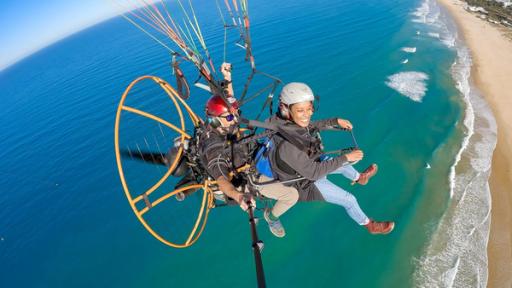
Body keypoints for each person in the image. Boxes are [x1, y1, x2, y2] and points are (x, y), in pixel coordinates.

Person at [264, 82, 394, 234]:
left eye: (309, 108)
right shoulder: (286, 145)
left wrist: (335, 121)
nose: (307, 114)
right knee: (349, 199)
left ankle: (360, 178)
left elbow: (309, 126)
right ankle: (369, 225)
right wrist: (346, 157)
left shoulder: (284, 121)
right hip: (304, 183)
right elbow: (314, 173)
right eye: (301, 110)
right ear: (286, 110)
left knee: (341, 164)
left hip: (308, 163)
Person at [198, 63, 299, 237]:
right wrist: (237, 196)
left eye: (236, 113)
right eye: (230, 117)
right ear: (215, 121)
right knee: (292, 196)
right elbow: (221, 179)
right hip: (249, 177)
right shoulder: (213, 147)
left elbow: (227, 100)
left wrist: (227, 78)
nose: (235, 118)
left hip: (251, 154)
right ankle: (271, 216)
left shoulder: (222, 121)